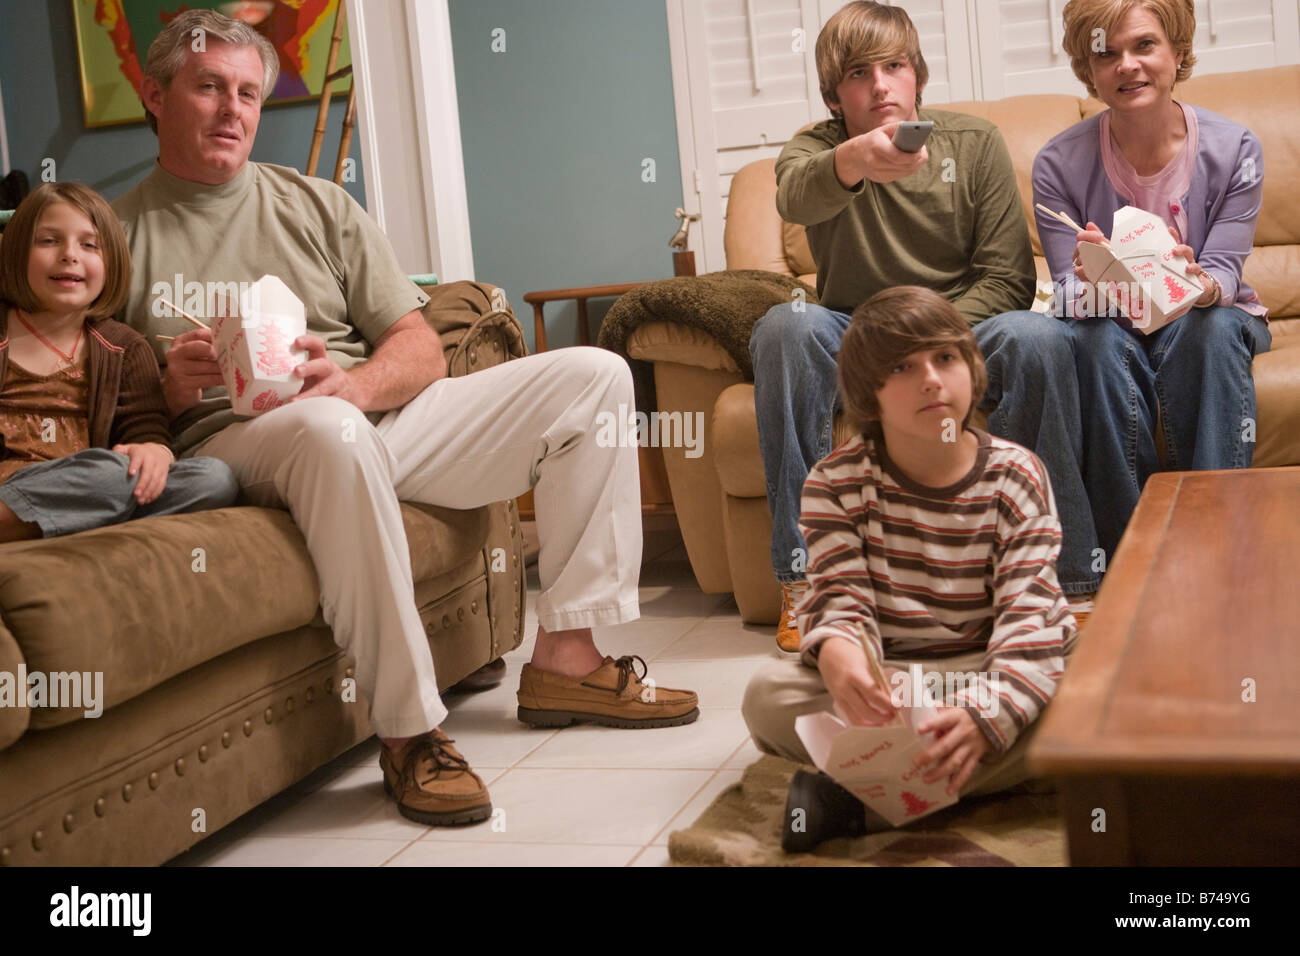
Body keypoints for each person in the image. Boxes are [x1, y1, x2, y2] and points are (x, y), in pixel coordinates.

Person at [112, 10, 699, 828]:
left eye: (248, 92)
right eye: (209, 87)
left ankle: (570, 656)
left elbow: (419, 346)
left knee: (592, 378)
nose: (232, 110)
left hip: (363, 418)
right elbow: (100, 394)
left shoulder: (315, 204)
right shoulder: (114, 235)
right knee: (330, 433)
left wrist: (356, 383)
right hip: (244, 442)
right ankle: (411, 728)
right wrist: (166, 390)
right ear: (155, 93)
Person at [741, 286, 1077, 852]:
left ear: (971, 368)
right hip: (895, 681)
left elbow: (1029, 617)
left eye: (945, 358)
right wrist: (842, 657)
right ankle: (974, 771)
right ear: (868, 395)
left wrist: (988, 713)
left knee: (1092, 688)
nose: (930, 378)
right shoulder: (834, 482)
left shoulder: (1018, 474)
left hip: (989, 667)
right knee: (766, 696)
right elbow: (840, 596)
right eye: (902, 366)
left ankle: (860, 802)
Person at [750, 0, 1035, 651]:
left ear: (918, 78)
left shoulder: (976, 143)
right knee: (784, 327)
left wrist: (922, 346)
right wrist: (852, 161)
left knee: (1037, 336)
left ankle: (1049, 579)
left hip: (959, 329)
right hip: (855, 333)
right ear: (833, 96)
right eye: (858, 73)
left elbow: (1009, 280)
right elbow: (794, 195)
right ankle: (807, 582)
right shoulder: (817, 149)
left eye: (894, 66)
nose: (880, 84)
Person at [1032, 0, 1269, 570]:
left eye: (1144, 46)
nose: (1126, 66)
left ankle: (1217, 548)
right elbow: (1066, 294)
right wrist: (1092, 284)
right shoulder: (1056, 165)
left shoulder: (1237, 149)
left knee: (1207, 331)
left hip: (1210, 317)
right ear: (1087, 70)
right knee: (1092, 342)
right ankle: (1132, 561)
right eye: (1105, 54)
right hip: (1110, 325)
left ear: (1179, 52)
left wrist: (1197, 283)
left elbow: (1226, 277)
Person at [0, 183, 237, 542]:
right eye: (48, 241)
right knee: (111, 475)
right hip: (14, 485)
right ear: (16, 253)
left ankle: (52, 523)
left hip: (89, 485)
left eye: (89, 244)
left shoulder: (125, 346)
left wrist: (153, 451)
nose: (69, 255)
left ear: (111, 262)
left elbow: (145, 427)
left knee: (213, 479)